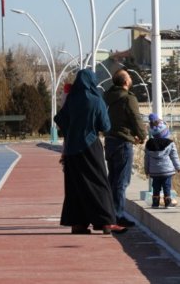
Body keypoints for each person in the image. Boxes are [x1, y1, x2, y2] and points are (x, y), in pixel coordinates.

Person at [53, 69, 127, 235]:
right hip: (90, 146)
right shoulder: (95, 100)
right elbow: (105, 126)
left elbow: (59, 120)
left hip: (72, 148)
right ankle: (106, 222)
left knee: (75, 186)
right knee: (99, 182)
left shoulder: (71, 100)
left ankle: (78, 224)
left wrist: (72, 130)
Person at [103, 69, 146, 227]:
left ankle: (108, 212)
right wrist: (142, 135)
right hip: (123, 142)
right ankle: (117, 215)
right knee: (122, 181)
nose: (131, 79)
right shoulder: (128, 98)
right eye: (129, 77)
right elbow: (135, 118)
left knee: (112, 179)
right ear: (126, 82)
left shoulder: (107, 97)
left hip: (109, 141)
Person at [144, 114, 180, 208]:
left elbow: (146, 158)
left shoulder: (149, 144)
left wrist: (146, 170)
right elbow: (174, 156)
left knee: (155, 187)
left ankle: (155, 203)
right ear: (165, 133)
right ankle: (167, 203)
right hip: (166, 171)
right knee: (167, 187)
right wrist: (178, 167)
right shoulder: (170, 143)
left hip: (154, 172)